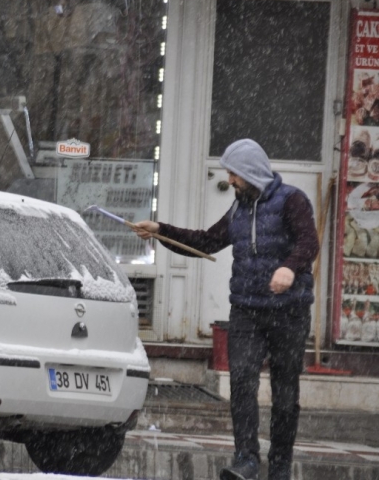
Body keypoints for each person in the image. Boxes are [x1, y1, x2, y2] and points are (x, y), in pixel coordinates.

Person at [131, 139, 319, 480]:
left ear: (251, 172)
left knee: (285, 392)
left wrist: (290, 268)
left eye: (234, 174)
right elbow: (206, 241)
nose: (230, 180)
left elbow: (309, 242)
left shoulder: (292, 200)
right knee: (242, 383)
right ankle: (246, 458)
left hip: (289, 312)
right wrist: (161, 231)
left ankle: (279, 467)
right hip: (246, 311)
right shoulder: (238, 209)